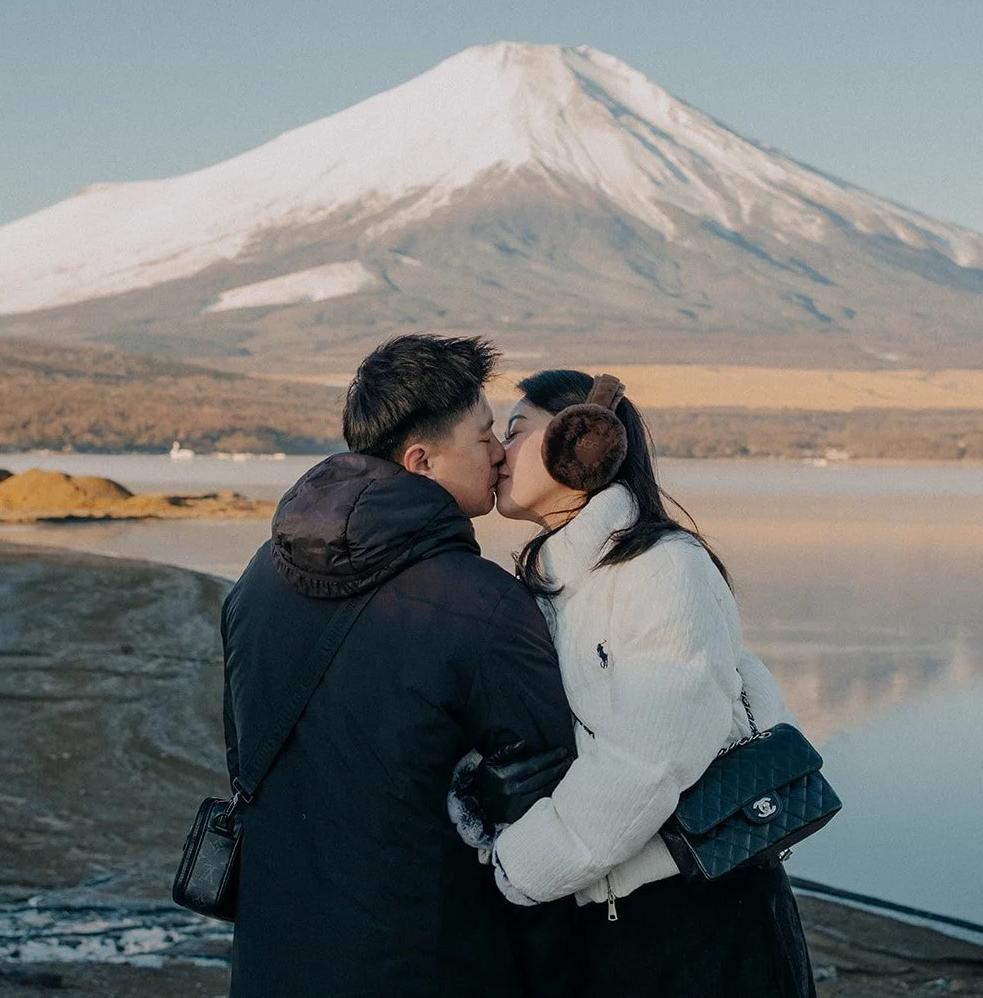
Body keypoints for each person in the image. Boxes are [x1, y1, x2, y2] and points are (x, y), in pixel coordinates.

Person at [220, 335, 575, 998]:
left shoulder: (255, 581)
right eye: (484, 437)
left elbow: (246, 759)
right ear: (420, 459)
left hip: (274, 952)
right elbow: (548, 808)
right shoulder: (482, 603)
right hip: (426, 961)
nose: (500, 452)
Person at [479, 368, 817, 997]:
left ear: (579, 443)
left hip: (703, 919)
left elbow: (649, 761)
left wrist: (519, 864)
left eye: (517, 431)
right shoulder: (556, 585)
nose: (500, 451)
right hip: (609, 919)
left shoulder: (661, 569)